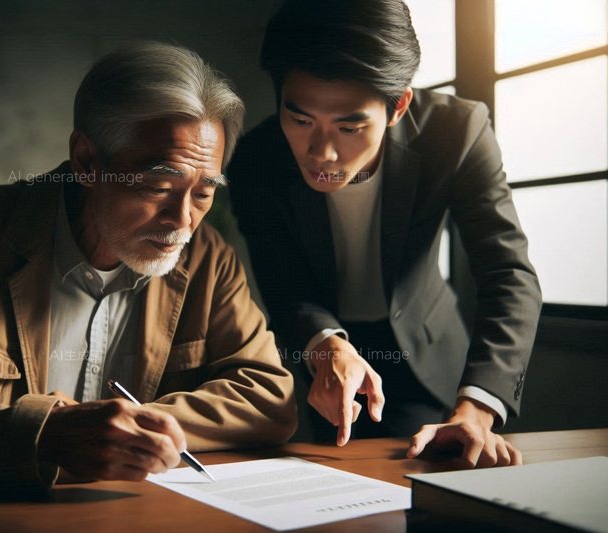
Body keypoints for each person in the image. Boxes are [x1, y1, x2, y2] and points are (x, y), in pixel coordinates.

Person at [0, 42, 296, 492]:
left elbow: (269, 397)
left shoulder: (207, 256)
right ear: (87, 161)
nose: (182, 221)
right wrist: (49, 433)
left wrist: (130, 427)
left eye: (204, 192)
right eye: (159, 185)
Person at [228, 0, 541, 468]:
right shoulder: (256, 160)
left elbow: (507, 272)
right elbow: (284, 280)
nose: (322, 152)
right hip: (321, 350)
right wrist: (324, 344)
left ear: (398, 106)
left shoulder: (455, 132)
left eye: (350, 126)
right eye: (300, 120)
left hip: (426, 349)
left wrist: (478, 406)